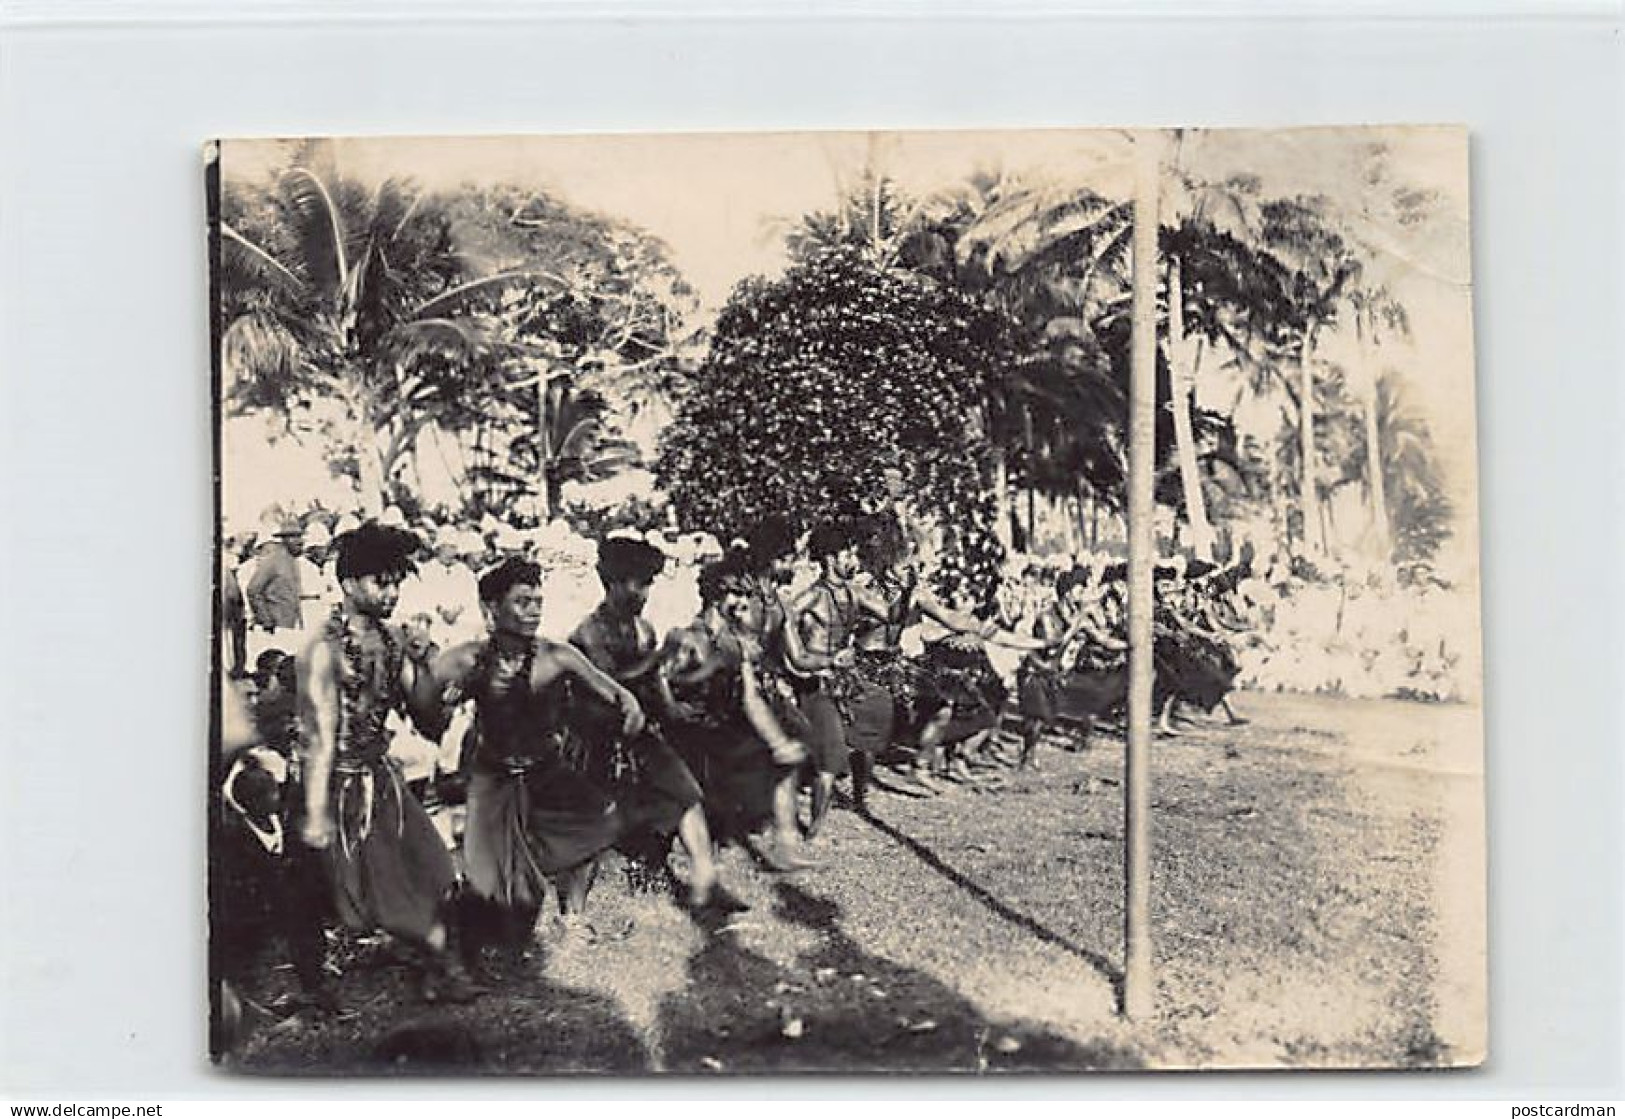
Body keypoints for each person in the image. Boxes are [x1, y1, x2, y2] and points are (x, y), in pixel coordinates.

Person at [424, 557, 643, 960]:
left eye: (538, 601)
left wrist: (630, 710)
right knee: (497, 912)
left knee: (603, 819)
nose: (534, 610)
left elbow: (613, 691)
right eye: (522, 601)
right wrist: (443, 704)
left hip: (548, 770)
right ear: (491, 608)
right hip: (494, 777)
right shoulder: (466, 659)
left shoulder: (556, 655)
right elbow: (423, 707)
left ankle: (572, 917)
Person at [296, 521, 475, 1003]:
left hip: (382, 777)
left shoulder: (394, 641)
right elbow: (319, 739)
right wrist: (316, 814)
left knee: (437, 871)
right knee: (377, 892)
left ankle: (431, 964)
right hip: (341, 785)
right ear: (350, 583)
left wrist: (439, 677)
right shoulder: (323, 650)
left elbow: (427, 714)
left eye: (398, 581)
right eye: (383, 581)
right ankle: (439, 968)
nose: (393, 592)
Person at [569, 537, 722, 908]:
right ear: (614, 582)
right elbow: (612, 685)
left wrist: (673, 712)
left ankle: (704, 880)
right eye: (640, 582)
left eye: (650, 582)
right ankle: (572, 913)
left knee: (687, 794)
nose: (646, 592)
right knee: (592, 827)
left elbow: (652, 687)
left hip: (640, 734)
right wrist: (660, 656)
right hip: (597, 738)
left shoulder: (644, 629)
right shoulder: (588, 633)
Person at [663, 552, 814, 872]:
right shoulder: (688, 636)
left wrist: (777, 742)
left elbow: (750, 698)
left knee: (781, 762)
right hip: (688, 731)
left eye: (747, 595)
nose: (745, 602)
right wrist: (677, 713)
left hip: (721, 727)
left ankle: (785, 844)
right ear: (718, 596)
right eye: (738, 594)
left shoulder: (734, 642)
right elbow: (662, 686)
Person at [786, 518, 895, 835]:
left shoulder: (854, 593)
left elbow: (891, 614)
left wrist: (906, 589)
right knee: (831, 759)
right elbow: (782, 627)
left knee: (877, 713)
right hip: (815, 682)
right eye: (848, 554)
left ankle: (860, 801)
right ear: (831, 557)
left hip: (847, 679)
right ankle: (814, 830)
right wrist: (801, 662)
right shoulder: (810, 597)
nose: (853, 559)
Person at [247, 517, 305, 660]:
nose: (299, 541)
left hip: (292, 622)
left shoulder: (293, 561)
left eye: (300, 536)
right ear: (284, 540)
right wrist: (265, 619)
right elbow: (253, 590)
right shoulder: (273, 560)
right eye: (293, 537)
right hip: (277, 626)